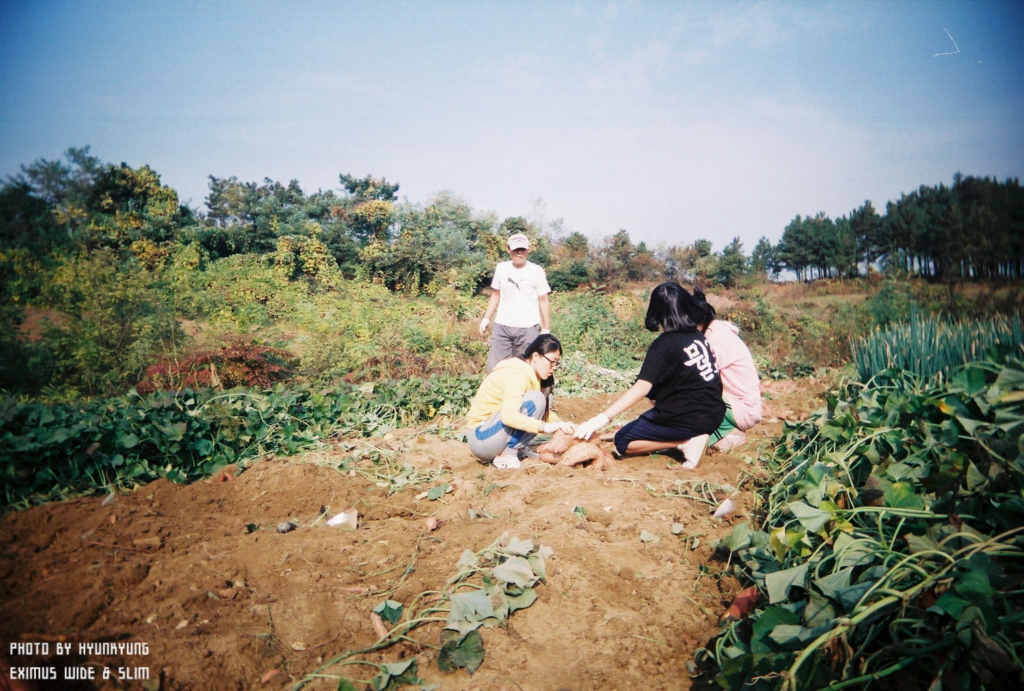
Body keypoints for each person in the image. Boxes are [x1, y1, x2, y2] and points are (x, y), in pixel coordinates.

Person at [574, 283, 725, 470]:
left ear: (656, 311)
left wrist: (602, 418)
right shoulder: (699, 337)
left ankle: (684, 442)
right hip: (714, 414)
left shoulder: (664, 345)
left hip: (689, 419)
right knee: (650, 411)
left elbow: (642, 388)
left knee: (623, 441)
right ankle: (688, 434)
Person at [466, 334, 575, 469]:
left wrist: (562, 425)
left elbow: (543, 413)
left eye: (557, 363)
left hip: (493, 434)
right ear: (536, 356)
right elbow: (509, 417)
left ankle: (515, 448)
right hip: (481, 438)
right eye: (551, 361)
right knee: (537, 399)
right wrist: (545, 427)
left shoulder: (534, 377)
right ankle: (508, 454)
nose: (554, 367)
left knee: (544, 398)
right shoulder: (517, 375)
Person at [693, 287, 762, 452]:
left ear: (698, 322)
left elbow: (695, 379)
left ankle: (728, 434)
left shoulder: (716, 340)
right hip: (737, 404)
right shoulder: (715, 333)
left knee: (693, 392)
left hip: (742, 409)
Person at [479, 233, 552, 372]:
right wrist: (486, 318)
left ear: (528, 250)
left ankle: (525, 394)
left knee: (525, 369)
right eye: (515, 249)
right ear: (508, 249)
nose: (519, 252)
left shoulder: (536, 271)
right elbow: (495, 295)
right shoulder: (501, 268)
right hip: (502, 326)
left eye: (523, 249)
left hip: (528, 328)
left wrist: (546, 328)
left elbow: (543, 300)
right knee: (496, 369)